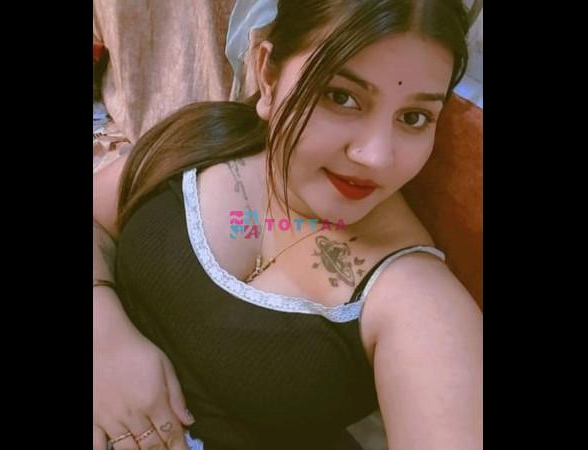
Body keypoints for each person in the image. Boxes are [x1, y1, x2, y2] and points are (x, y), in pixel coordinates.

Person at [93, 0, 483, 449]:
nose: (376, 156)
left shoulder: (418, 301)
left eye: (414, 118)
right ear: (268, 74)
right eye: (342, 97)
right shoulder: (204, 139)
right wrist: (105, 336)